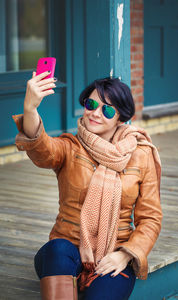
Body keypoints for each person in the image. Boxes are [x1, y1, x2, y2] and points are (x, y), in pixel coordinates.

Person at [13, 71, 162, 300]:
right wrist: (30, 108)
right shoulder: (70, 147)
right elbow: (41, 147)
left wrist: (124, 255)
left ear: (121, 117)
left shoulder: (141, 155)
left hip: (112, 257)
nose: (95, 113)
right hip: (64, 254)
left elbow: (150, 217)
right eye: (91, 104)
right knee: (57, 249)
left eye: (107, 109)